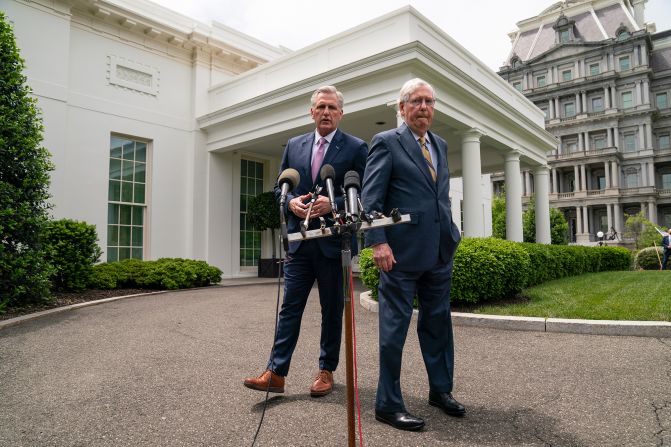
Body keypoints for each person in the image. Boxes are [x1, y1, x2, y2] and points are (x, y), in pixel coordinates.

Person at [243, 86, 367, 397]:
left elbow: (365, 189)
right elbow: (279, 187)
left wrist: (333, 202)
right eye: (321, 107)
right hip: (299, 242)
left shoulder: (355, 147)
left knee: (330, 309)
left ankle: (326, 370)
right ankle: (276, 372)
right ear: (311, 112)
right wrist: (289, 204)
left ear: (341, 113)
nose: (326, 112)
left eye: (332, 107)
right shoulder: (294, 146)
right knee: (290, 308)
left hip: (333, 242)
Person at [361, 78, 463, 431]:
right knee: (394, 331)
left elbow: (441, 196)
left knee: (438, 326)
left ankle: (441, 391)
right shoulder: (387, 143)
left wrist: (451, 234)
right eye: (416, 101)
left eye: (429, 101)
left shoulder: (441, 144)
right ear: (402, 108)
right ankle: (387, 404)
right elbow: (370, 200)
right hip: (399, 255)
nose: (424, 107)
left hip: (438, 252)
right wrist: (378, 242)